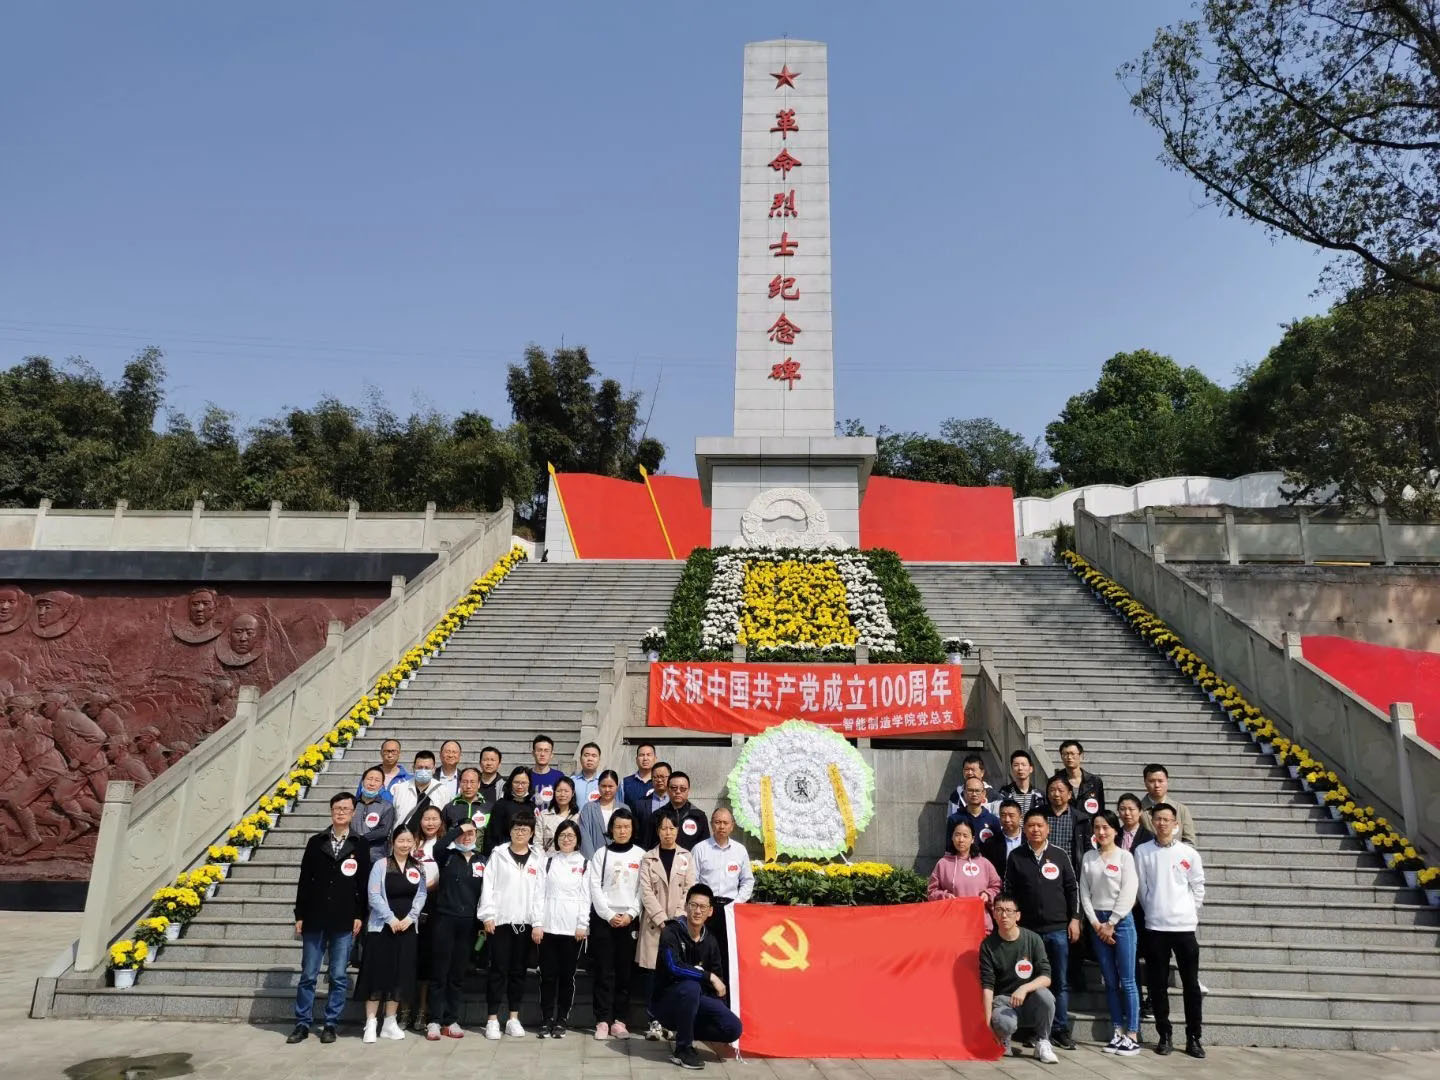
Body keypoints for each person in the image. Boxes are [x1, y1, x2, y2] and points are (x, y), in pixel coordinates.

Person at [289, 792, 368, 1045]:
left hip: (344, 919)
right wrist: (299, 914)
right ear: (331, 811)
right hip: (314, 917)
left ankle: (331, 1023)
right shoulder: (316, 842)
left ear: (353, 812)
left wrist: (359, 914)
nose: (341, 812)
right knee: (309, 974)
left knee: (338, 975)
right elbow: (304, 881)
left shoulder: (360, 843)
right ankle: (302, 1023)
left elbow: (363, 884)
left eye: (346, 808)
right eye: (337, 808)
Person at [1002, 810, 1080, 1050]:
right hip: (1027, 932)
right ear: (1024, 830)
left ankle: (1059, 1029)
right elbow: (1009, 890)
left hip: (1057, 929)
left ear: (1048, 829)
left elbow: (1072, 888)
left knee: (1059, 981)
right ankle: (1031, 1029)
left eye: (1039, 825)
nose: (1035, 829)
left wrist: (1075, 918)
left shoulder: (1059, 854)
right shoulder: (1016, 856)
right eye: (1031, 826)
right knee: (1026, 978)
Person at [1134, 803, 1206, 1059]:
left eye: (1167, 819)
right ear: (1152, 822)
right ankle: (1164, 1034)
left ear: (1176, 824)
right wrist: (1154, 907)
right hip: (1156, 926)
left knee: (1191, 985)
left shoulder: (1189, 853)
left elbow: (1198, 886)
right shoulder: (1143, 852)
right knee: (1157, 985)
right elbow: (1140, 888)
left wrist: (1189, 912)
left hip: (1184, 928)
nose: (1162, 823)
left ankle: (1194, 1037)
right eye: (1158, 819)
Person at [650, 883, 743, 1070]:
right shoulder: (671, 931)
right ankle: (683, 1050)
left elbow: (720, 983)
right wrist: (707, 976)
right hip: (666, 1003)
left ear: (710, 912)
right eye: (693, 905)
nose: (697, 911)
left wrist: (718, 1011)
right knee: (690, 986)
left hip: (697, 1001)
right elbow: (673, 967)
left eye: (703, 907)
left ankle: (686, 1031)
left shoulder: (710, 940)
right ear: (686, 907)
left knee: (733, 1028)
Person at [356, 824, 427, 1043]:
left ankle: (390, 1021)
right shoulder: (382, 864)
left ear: (414, 843)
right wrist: (391, 919)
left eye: (409, 841)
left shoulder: (418, 867)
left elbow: (421, 894)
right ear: (392, 842)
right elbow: (374, 895)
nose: (405, 845)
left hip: (407, 927)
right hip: (383, 928)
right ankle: (371, 1022)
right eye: (400, 841)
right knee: (377, 975)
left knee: (399, 975)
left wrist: (409, 918)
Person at [478, 808, 545, 1039]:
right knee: (498, 970)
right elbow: (488, 885)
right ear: (510, 830)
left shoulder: (538, 858)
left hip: (525, 923)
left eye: (525, 830)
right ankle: (492, 1019)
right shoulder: (498, 854)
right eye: (517, 829)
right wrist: (488, 915)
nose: (520, 833)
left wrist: (537, 922)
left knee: (518, 972)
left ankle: (513, 1018)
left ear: (532, 833)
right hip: (501, 921)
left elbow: (539, 892)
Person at [1080, 810, 1140, 1056]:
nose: (1101, 832)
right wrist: (1096, 923)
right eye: (1097, 828)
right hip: (1097, 922)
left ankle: (1133, 1034)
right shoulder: (1088, 857)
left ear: (1115, 830)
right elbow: (1084, 892)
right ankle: (1117, 1030)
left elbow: (1130, 891)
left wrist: (1112, 922)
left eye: (1106, 827)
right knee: (1110, 982)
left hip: (1121, 922)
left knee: (1127, 980)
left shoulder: (1125, 857)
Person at [639, 809, 699, 1039]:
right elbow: (645, 892)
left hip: (679, 925)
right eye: (663, 828)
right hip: (654, 926)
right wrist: (662, 919)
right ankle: (653, 1021)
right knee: (652, 976)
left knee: (675, 974)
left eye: (671, 828)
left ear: (677, 830)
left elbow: (689, 890)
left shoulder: (686, 856)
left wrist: (675, 918)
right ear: (657, 831)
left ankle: (671, 1022)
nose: (667, 833)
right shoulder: (648, 858)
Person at [979, 893, 1058, 1064]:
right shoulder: (988, 946)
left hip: (1029, 1000)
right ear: (993, 914)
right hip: (1004, 1003)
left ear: (1018, 915)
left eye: (1009, 910)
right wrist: (987, 1026)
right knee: (1004, 1021)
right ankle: (1004, 1038)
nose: (1004, 915)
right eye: (999, 910)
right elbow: (987, 986)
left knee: (1045, 996)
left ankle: (1043, 1041)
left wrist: (1024, 988)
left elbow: (1046, 977)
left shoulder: (1033, 939)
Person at [425, 819, 485, 1041]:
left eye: (472, 833)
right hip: (444, 919)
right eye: (464, 833)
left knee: (457, 973)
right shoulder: (447, 856)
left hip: (468, 922)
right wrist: (459, 829)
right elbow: (437, 847)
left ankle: (451, 1019)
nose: (467, 837)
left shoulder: (482, 860)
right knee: (440, 971)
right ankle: (434, 1020)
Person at [588, 806, 644, 1039]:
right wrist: (609, 915)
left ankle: (619, 1020)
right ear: (611, 829)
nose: (622, 831)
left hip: (629, 920)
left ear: (633, 829)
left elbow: (643, 889)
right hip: (605, 920)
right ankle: (602, 1020)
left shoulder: (641, 855)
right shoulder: (602, 854)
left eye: (626, 827)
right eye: (618, 827)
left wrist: (631, 914)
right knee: (603, 971)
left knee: (624, 972)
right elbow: (594, 886)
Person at [690, 806, 752, 994]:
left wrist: (737, 903)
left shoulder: (740, 850)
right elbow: (693, 880)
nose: (721, 827)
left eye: (725, 823)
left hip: (731, 910)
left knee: (727, 953)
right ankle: (705, 992)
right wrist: (701, 905)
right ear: (711, 824)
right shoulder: (700, 849)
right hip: (706, 909)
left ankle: (727, 995)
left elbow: (748, 881)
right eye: (717, 822)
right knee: (704, 951)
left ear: (732, 826)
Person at [537, 819, 589, 1038]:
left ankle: (562, 1019)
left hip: (571, 931)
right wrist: (537, 923)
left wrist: (582, 925)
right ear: (556, 839)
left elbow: (586, 898)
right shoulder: (548, 862)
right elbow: (538, 894)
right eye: (562, 835)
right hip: (548, 927)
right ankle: (547, 1018)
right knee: (547, 976)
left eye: (571, 836)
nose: (566, 839)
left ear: (577, 840)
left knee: (567, 977)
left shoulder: (585, 863)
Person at [407, 806, 447, 1030]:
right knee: (408, 959)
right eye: (426, 819)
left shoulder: (444, 844)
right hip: (409, 902)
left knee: (427, 960)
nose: (430, 823)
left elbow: (445, 874)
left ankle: (423, 1010)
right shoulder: (412, 842)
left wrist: (426, 888)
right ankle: (404, 1010)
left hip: (434, 904)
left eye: (435, 819)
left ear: (441, 822)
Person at [927, 818, 1002, 930]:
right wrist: (945, 896)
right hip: (952, 924)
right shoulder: (943, 863)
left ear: (972, 839)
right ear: (952, 837)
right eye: (957, 835)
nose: (961, 840)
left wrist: (988, 894)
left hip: (981, 924)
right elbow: (931, 892)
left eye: (965, 836)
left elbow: (997, 886)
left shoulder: (984, 863)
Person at [1043, 773, 1092, 876]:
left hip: (1071, 872)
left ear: (1069, 794)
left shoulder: (1081, 819)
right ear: (1047, 793)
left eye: (1060, 791)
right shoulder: (1038, 816)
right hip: (1043, 869)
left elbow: (1088, 848)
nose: (1056, 794)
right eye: (1052, 790)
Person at [392, 751, 452, 833]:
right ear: (413, 768)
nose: (423, 771)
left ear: (434, 769)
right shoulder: (400, 789)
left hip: (431, 842)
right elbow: (393, 818)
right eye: (419, 768)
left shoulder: (443, 791)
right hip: (404, 840)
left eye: (427, 768)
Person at [1139, 764, 1197, 845]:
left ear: (1167, 781)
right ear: (1145, 782)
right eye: (1152, 781)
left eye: (1160, 781)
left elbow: (1189, 841)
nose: (1157, 785)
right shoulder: (1138, 810)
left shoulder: (1181, 810)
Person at [484, 767, 533, 854]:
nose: (520, 786)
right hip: (504, 854)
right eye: (516, 782)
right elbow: (493, 835)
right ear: (510, 783)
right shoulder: (501, 805)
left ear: (529, 784)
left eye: (524, 783)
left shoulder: (532, 806)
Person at [352, 768, 396, 864]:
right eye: (369, 779)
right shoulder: (352, 804)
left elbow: (383, 831)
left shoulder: (387, 806)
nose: (372, 783)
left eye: (377, 780)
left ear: (381, 786)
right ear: (362, 782)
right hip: (351, 854)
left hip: (375, 857)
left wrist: (360, 839)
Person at [579, 769, 623, 858]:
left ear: (617, 787)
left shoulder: (624, 809)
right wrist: (592, 861)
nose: (607, 790)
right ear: (598, 786)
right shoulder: (588, 808)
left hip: (618, 858)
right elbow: (585, 837)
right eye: (603, 786)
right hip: (594, 858)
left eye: (611, 786)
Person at [946, 776, 1002, 846]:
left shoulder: (993, 820)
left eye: (977, 791)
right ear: (964, 793)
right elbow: (949, 848)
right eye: (970, 790)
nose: (974, 794)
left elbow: (998, 848)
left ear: (984, 794)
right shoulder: (954, 819)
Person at [662, 772, 709, 851]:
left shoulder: (699, 816)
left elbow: (704, 847)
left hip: (690, 861)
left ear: (688, 790)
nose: (678, 791)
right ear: (667, 790)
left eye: (683, 788)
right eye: (674, 788)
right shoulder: (658, 814)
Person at [979, 799, 1026, 876]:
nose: (1007, 820)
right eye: (1003, 815)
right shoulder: (990, 843)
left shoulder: (1030, 840)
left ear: (1020, 817)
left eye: (1011, 815)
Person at [1058, 740, 1105, 816]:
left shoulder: (1095, 782)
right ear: (1061, 757)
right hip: (1065, 825)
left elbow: (1101, 810)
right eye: (1065, 754)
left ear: (1081, 756)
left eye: (1072, 754)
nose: (1069, 757)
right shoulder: (1056, 781)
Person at [538, 776, 582, 853]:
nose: (562, 794)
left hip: (570, 861)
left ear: (572, 793)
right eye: (559, 791)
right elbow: (537, 842)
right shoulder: (543, 815)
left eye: (566, 791)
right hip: (547, 861)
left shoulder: (578, 817)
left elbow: (580, 843)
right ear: (554, 792)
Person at [444, 767, 489, 834]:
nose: (468, 786)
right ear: (459, 783)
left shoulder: (489, 807)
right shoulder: (449, 808)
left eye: (472, 782)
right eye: (464, 782)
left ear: (479, 784)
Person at [999, 749, 1044, 814]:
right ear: (1012, 769)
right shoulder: (1004, 793)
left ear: (1031, 769)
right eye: (1016, 765)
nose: (1020, 768)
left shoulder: (1040, 795)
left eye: (1023, 764)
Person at [529, 734, 566, 811]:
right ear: (533, 753)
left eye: (546, 751)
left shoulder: (559, 776)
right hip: (528, 821)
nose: (542, 754)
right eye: (539, 750)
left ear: (552, 754)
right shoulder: (526, 775)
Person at [623, 742, 658, 812]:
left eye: (649, 755)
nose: (645, 758)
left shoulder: (663, 782)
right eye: (642, 755)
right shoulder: (625, 783)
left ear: (655, 759)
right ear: (636, 759)